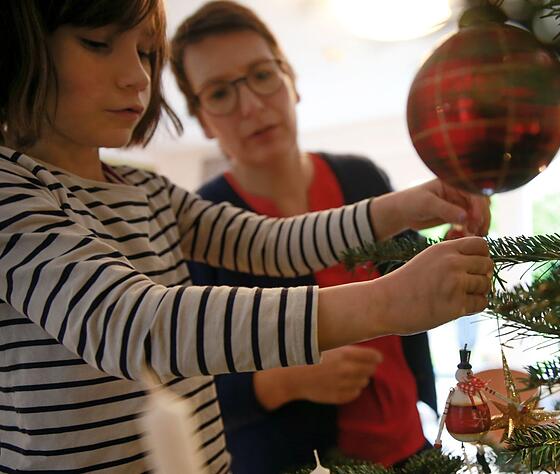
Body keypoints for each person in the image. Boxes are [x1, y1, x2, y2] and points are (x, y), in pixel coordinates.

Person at [0, 1, 493, 472]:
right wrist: (384, 303)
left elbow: (269, 244)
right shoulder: (12, 192)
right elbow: (134, 324)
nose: (138, 77)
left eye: (145, 52)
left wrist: (412, 203)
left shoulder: (148, 191)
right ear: (21, 45)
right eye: (98, 43)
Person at [169, 2, 480, 471]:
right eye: (219, 93)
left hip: (413, 447)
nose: (251, 106)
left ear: (289, 78)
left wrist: (455, 233)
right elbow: (179, 385)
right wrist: (280, 381)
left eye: (261, 75)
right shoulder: (200, 227)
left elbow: (414, 283)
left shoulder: (361, 177)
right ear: (202, 118)